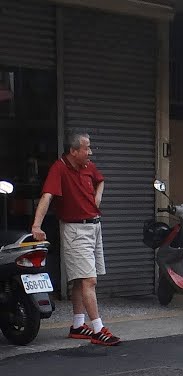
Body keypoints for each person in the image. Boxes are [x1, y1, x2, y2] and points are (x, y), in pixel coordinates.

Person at [31, 131, 120, 346]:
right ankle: (98, 329)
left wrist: (97, 197)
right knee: (89, 280)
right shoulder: (59, 168)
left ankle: (78, 325)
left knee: (83, 279)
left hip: (94, 227)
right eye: (86, 148)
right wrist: (36, 225)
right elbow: (47, 196)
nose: (90, 152)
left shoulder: (88, 167)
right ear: (73, 151)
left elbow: (101, 181)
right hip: (75, 230)